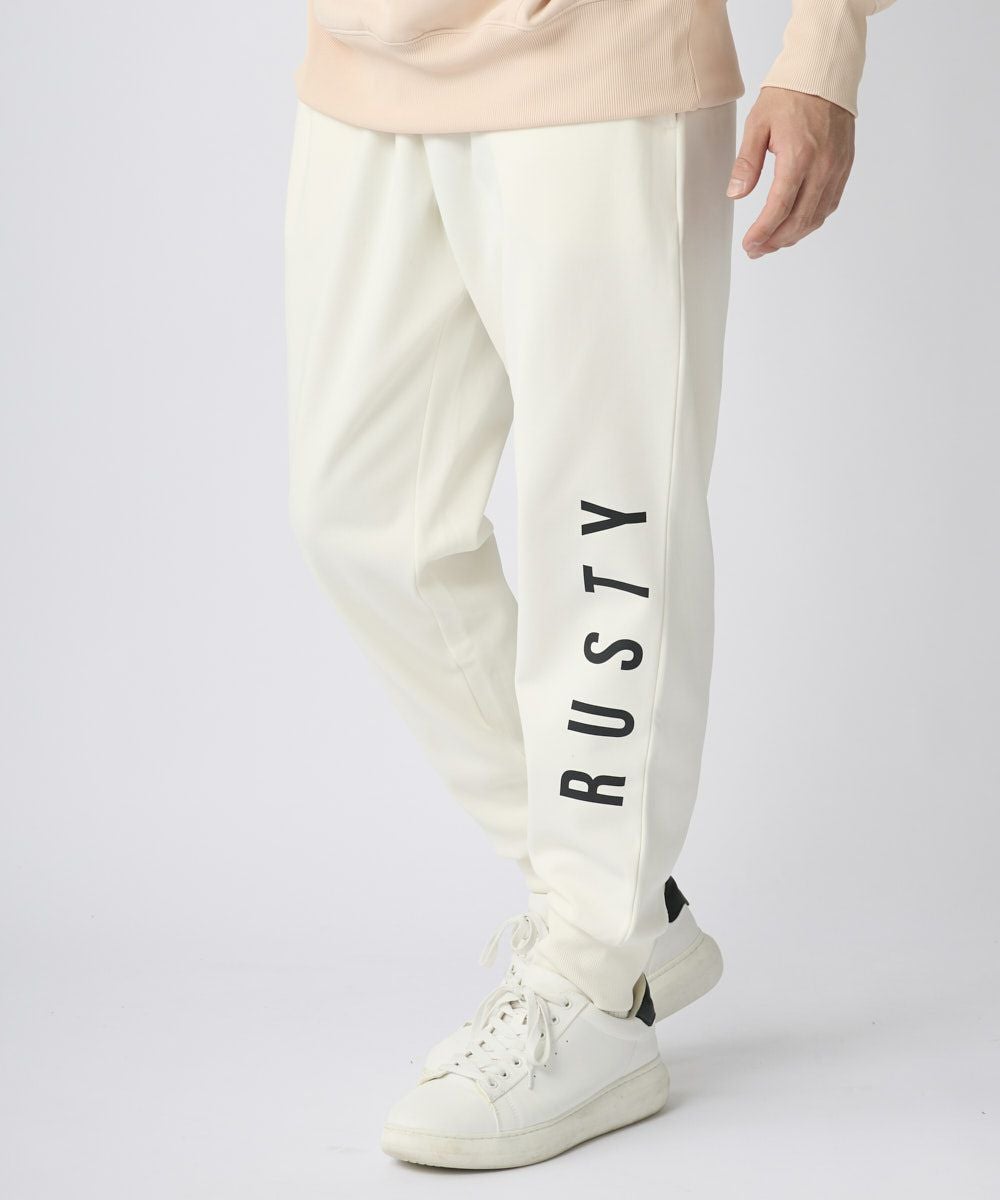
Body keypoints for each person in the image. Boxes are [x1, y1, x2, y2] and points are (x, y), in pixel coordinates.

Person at [284, 0, 896, 1171]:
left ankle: (594, 980)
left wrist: (823, 43)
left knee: (606, 533)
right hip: (366, 57)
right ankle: (626, 912)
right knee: (363, 522)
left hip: (602, 55)